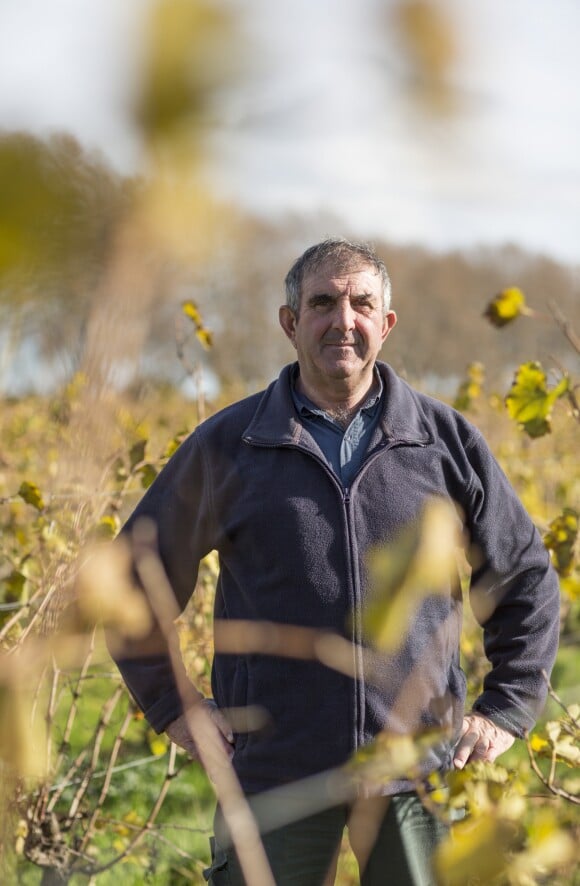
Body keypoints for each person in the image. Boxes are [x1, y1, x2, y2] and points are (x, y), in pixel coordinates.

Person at [111, 238, 560, 885]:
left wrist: (507, 709)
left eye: (361, 304)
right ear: (290, 322)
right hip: (275, 775)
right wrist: (174, 707)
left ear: (386, 324)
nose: (342, 320)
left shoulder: (444, 442)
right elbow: (131, 581)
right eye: (322, 303)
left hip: (417, 773)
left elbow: (523, 578)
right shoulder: (229, 447)